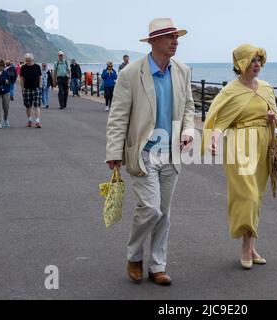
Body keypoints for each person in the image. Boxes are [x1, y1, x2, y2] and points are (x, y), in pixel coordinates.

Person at [106, 18, 194, 286]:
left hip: (172, 152)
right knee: (151, 209)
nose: (175, 41)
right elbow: (118, 115)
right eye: (169, 37)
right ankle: (134, 255)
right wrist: (114, 150)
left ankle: (158, 265)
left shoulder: (182, 70)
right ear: (153, 41)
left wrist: (188, 130)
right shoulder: (131, 73)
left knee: (164, 213)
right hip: (143, 152)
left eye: (177, 37)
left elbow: (189, 106)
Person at [203, 44, 277, 270]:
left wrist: (271, 118)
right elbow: (220, 122)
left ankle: (252, 246)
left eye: (259, 61)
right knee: (248, 196)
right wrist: (214, 139)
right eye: (252, 61)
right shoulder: (231, 92)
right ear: (240, 64)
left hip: (264, 143)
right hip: (240, 146)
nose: (257, 65)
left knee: (258, 196)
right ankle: (246, 246)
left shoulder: (266, 88)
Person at [20, 53, 42, 128]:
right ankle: (29, 120)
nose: (27, 62)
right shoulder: (23, 67)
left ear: (32, 59)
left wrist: (40, 86)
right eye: (26, 60)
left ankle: (37, 122)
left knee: (37, 105)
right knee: (28, 106)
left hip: (36, 88)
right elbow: (22, 79)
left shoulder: (37, 67)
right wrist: (22, 88)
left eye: (28, 60)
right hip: (27, 89)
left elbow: (40, 77)